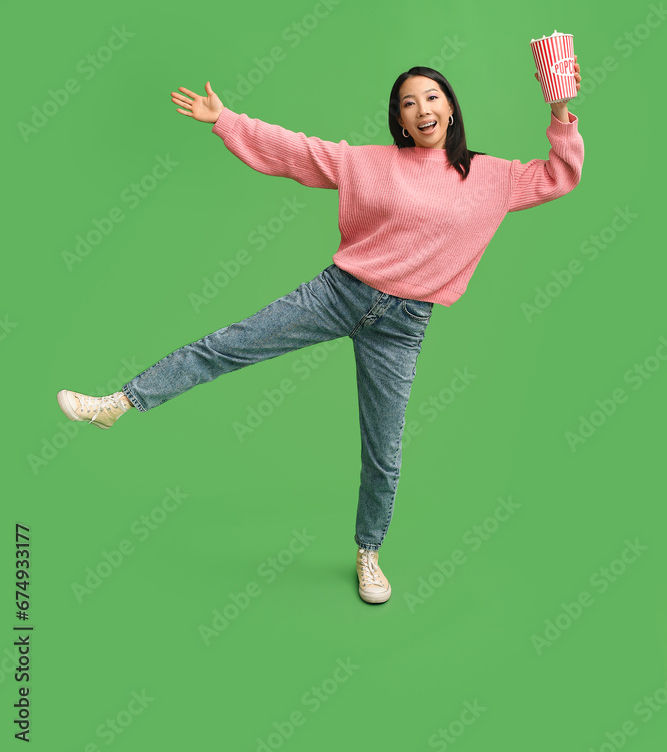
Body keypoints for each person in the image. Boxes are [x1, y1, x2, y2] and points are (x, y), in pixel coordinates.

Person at [57, 62, 584, 604]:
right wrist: (226, 120)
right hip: (339, 294)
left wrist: (560, 111)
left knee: (384, 451)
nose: (422, 109)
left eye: (432, 98)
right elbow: (298, 153)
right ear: (399, 120)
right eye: (409, 102)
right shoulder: (371, 163)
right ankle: (118, 403)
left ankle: (369, 553)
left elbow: (558, 176)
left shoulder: (491, 176)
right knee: (227, 346)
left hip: (402, 329)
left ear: (451, 108)